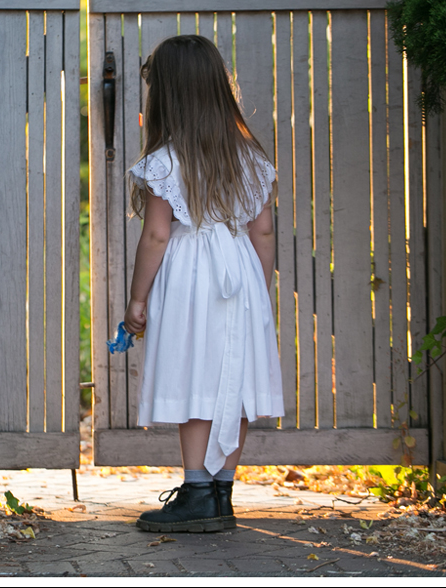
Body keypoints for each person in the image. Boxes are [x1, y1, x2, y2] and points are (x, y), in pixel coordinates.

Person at [123, 34, 284, 533]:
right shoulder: (251, 158)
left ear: (167, 95)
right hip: (239, 272)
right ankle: (221, 495)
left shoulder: (165, 160)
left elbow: (156, 235)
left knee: (195, 375)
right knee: (232, 379)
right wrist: (259, 291)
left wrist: (137, 299)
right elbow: (263, 232)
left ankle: (198, 493)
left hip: (190, 276)